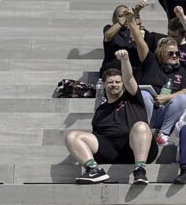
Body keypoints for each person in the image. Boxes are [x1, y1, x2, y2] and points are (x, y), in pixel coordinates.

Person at [65, 49, 156, 185]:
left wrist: (125, 60)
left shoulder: (132, 98)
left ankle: (140, 170)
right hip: (111, 150)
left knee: (141, 126)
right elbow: (96, 137)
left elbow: (129, 78)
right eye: (110, 82)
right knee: (72, 136)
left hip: (136, 147)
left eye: (118, 82)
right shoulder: (100, 111)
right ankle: (94, 169)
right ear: (104, 85)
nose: (114, 85)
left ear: (122, 84)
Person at [136, 36, 186, 146]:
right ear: (161, 53)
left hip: (167, 114)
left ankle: (163, 134)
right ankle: (145, 130)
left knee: (183, 98)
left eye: (177, 53)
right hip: (150, 111)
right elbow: (140, 43)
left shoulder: (181, 70)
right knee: (144, 94)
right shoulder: (151, 63)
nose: (175, 56)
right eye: (170, 53)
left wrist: (167, 97)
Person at [101, 0, 162, 76]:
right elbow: (108, 36)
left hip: (134, 74)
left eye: (126, 15)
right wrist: (124, 19)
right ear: (114, 19)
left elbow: (141, 40)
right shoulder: (109, 28)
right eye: (120, 16)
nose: (125, 18)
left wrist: (135, 16)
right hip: (113, 72)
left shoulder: (137, 31)